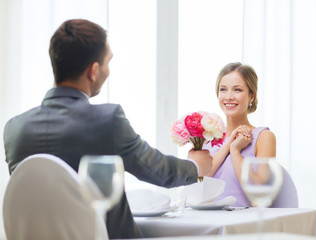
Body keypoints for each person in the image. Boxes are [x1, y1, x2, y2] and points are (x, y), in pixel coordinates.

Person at [3, 19, 213, 239]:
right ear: (93, 70)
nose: (108, 71)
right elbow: (157, 170)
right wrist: (194, 167)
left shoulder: (14, 129)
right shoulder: (107, 120)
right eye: (107, 62)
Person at [203, 62, 298, 207]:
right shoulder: (208, 138)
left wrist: (235, 151)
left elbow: (260, 193)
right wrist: (228, 145)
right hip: (206, 220)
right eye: (223, 89)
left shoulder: (263, 137)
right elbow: (198, 183)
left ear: (251, 96)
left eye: (237, 90)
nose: (228, 96)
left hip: (244, 223)